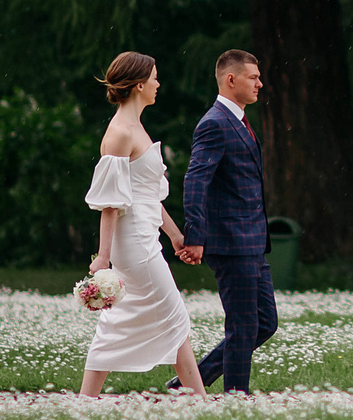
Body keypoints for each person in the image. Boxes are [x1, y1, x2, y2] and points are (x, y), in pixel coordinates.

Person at [78, 52, 206, 398]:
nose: (158, 84)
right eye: (154, 77)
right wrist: (103, 257)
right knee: (175, 318)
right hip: (134, 244)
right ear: (138, 85)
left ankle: (85, 400)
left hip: (147, 236)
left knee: (126, 322)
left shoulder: (137, 128)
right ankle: (200, 401)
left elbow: (147, 196)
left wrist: (175, 235)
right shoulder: (120, 133)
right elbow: (111, 202)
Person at [172, 49, 275, 393]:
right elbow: (195, 181)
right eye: (253, 77)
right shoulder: (214, 123)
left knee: (265, 323)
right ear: (231, 79)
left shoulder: (240, 121)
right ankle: (236, 399)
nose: (260, 83)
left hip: (253, 242)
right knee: (243, 327)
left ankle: (189, 382)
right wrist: (195, 236)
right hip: (231, 243)